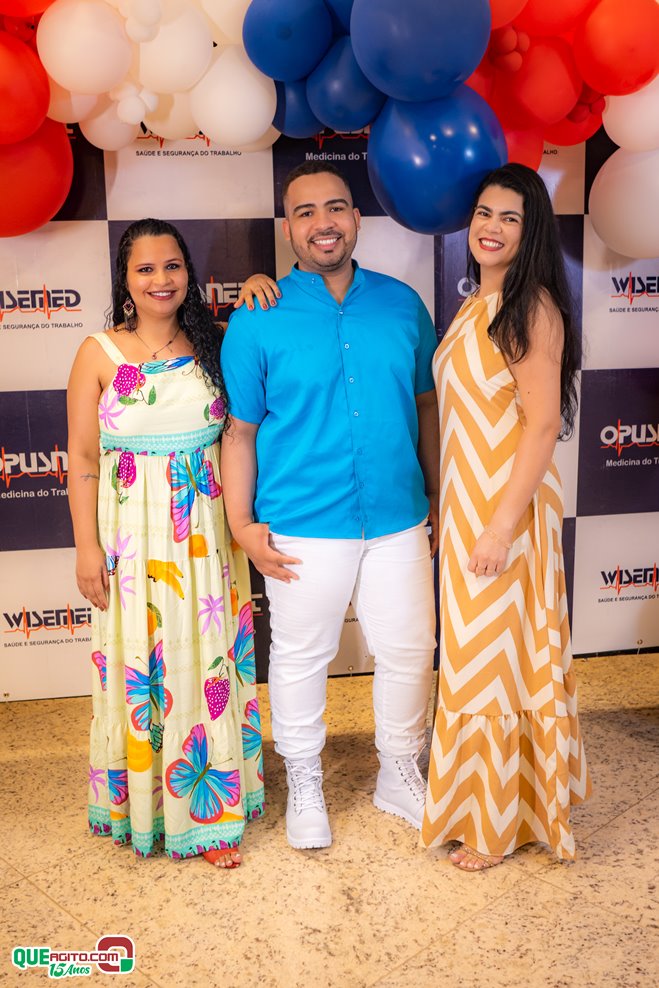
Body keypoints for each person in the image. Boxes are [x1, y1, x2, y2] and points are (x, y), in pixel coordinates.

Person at [220, 162, 438, 850]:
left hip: (398, 517)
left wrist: (434, 492)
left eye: (336, 207)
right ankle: (305, 782)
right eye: (306, 212)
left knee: (409, 651)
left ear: (356, 218)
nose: (324, 223)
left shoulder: (402, 304)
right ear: (288, 228)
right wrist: (241, 524)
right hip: (301, 523)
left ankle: (398, 772)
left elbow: (426, 406)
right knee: (301, 656)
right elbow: (240, 432)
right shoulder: (257, 317)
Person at [67, 218, 265, 869]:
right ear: (124, 280)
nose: (161, 279)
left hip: (205, 540)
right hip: (130, 542)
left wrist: (259, 288)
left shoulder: (218, 342)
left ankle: (206, 815)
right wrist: (87, 550)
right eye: (145, 268)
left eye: (172, 266)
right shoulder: (100, 353)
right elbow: (82, 459)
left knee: (202, 665)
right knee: (144, 669)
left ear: (189, 273)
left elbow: (243, 431)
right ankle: (146, 808)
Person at [421, 163, 591, 871]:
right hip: (469, 506)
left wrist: (498, 527)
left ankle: (496, 825)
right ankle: (483, 807)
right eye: (484, 213)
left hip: (506, 513)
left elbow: (543, 425)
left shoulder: (532, 307)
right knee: (473, 661)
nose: (490, 227)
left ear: (531, 232)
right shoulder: (476, 305)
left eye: (509, 218)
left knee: (495, 663)